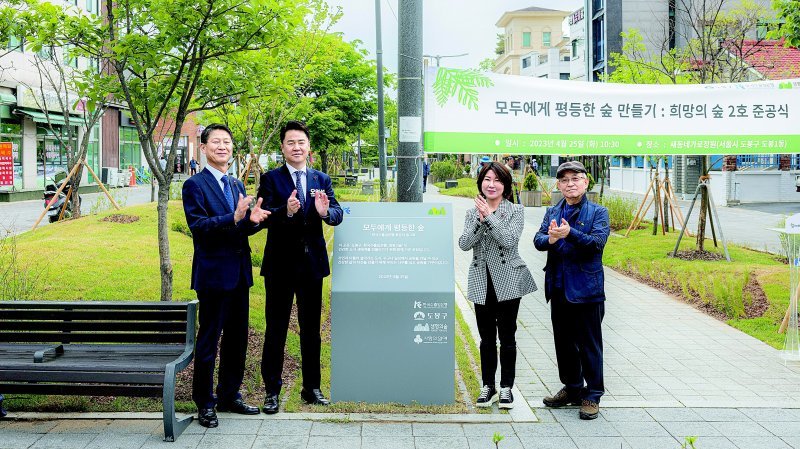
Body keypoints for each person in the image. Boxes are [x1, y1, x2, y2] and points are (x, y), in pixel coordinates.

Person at [181, 124, 271, 428]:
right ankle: (205, 403)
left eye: (227, 142)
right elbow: (199, 228)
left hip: (239, 274)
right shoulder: (194, 185)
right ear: (204, 148)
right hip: (213, 276)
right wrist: (232, 217)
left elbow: (240, 228)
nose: (223, 146)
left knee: (237, 339)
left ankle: (229, 394)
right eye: (216, 142)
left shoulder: (235, 184)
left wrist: (254, 221)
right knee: (210, 340)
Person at [255, 120, 343, 414]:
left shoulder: (321, 179)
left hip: (311, 266)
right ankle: (272, 391)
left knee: (311, 330)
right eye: (290, 142)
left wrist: (325, 212)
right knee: (276, 328)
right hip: (280, 266)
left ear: (309, 148)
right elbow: (262, 217)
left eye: (301, 142)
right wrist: (286, 211)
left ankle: (311, 388)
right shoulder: (270, 179)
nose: (296, 147)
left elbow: (337, 212)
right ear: (282, 148)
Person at [533, 160, 610, 420]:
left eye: (575, 178)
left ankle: (593, 394)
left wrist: (570, 233)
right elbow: (538, 239)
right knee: (563, 344)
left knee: (589, 344)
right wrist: (551, 238)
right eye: (564, 180)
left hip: (587, 290)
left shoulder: (598, 212)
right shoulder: (552, 212)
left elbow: (596, 244)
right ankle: (573, 388)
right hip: (559, 287)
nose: (570, 184)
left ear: (586, 182)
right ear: (558, 185)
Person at [458, 162, 537, 409]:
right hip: (482, 279)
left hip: (509, 280)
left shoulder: (515, 211)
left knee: (507, 336)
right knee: (486, 338)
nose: (491, 185)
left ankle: (506, 388)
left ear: (506, 186)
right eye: (487, 179)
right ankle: (487, 386)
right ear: (480, 182)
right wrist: (480, 220)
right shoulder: (472, 213)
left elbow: (508, 240)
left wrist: (489, 217)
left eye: (497, 180)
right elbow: (463, 244)